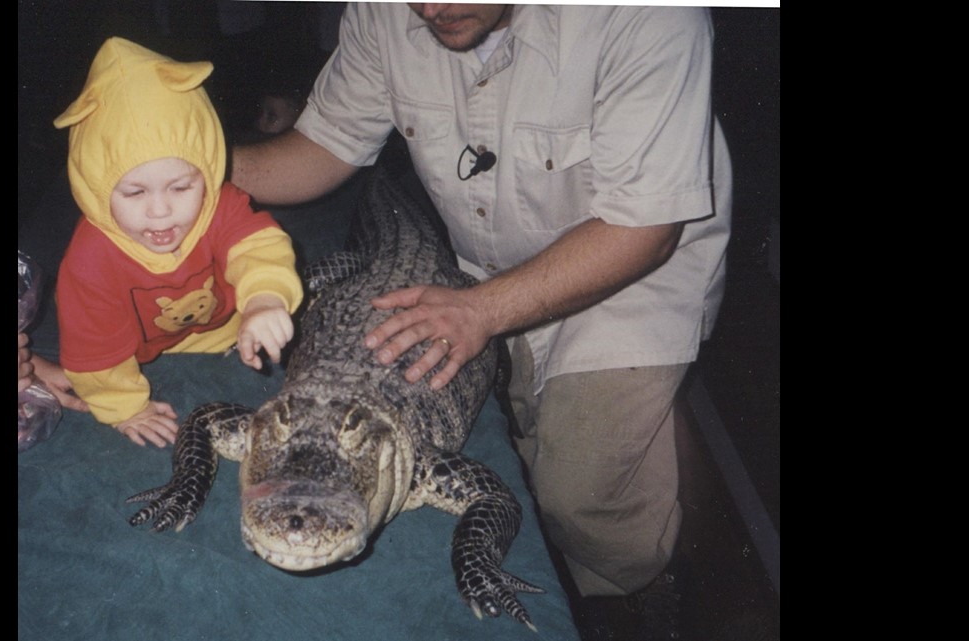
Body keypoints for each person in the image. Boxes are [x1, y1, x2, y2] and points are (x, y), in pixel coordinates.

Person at [230, 4, 731, 638]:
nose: (431, 7)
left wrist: (482, 309)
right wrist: (188, 169)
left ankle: (643, 585)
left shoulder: (652, 15)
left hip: (628, 266)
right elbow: (322, 146)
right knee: (523, 440)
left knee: (579, 494)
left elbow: (646, 229)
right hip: (483, 262)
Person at [53, 37, 304, 448]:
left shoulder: (219, 204)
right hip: (134, 350)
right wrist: (124, 407)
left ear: (206, 170)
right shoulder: (90, 258)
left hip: (227, 328)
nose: (160, 212)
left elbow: (260, 247)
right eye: (134, 193)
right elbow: (91, 345)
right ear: (94, 187)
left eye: (181, 187)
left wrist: (264, 298)